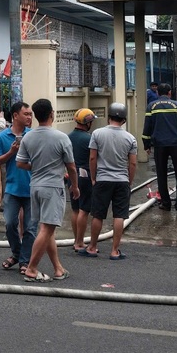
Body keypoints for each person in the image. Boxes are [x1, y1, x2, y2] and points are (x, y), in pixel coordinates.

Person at [16, 98, 79, 282]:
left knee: (46, 228)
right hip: (52, 187)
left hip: (34, 186)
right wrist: (74, 187)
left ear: (35, 116)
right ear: (52, 113)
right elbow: (72, 167)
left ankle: (58, 269)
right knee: (46, 229)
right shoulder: (61, 138)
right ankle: (31, 269)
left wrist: (36, 167)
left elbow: (20, 163)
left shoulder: (28, 136)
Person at [81, 103, 137, 260]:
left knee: (98, 214)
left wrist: (93, 177)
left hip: (102, 179)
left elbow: (92, 157)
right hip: (122, 180)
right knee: (119, 215)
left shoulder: (97, 134)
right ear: (124, 120)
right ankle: (114, 251)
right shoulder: (130, 138)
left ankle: (92, 247)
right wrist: (129, 181)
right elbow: (132, 163)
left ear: (108, 117)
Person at [0, 102, 35, 274]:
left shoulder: (32, 135)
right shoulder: (3, 137)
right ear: (15, 115)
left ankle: (24, 260)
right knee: (10, 224)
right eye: (26, 114)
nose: (29, 117)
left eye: (30, 114)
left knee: (31, 228)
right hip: (12, 188)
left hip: (32, 187)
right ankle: (17, 254)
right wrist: (11, 152)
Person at [142, 83, 177, 213]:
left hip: (159, 145)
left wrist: (146, 145)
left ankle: (165, 203)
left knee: (161, 173)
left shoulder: (151, 106)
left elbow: (147, 127)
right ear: (170, 93)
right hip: (176, 144)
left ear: (158, 93)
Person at [68, 108, 96, 254]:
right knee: (84, 210)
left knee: (75, 209)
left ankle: (76, 239)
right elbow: (94, 158)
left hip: (71, 176)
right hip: (85, 176)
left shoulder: (68, 137)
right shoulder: (89, 139)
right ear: (88, 122)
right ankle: (79, 242)